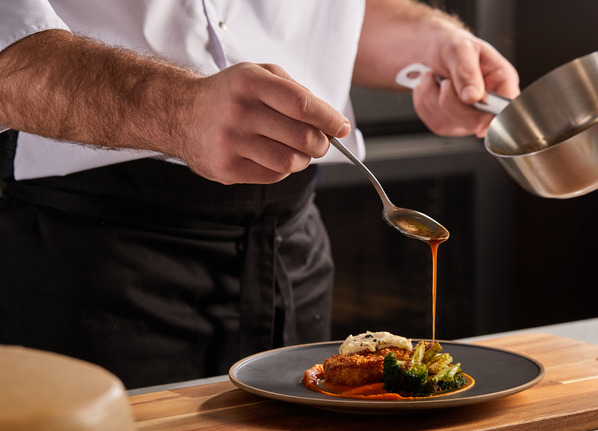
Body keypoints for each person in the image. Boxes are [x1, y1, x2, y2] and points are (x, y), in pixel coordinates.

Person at [0, 0, 519, 389]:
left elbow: (330, 15)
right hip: (87, 257)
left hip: (294, 248)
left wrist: (428, 41)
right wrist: (177, 111)